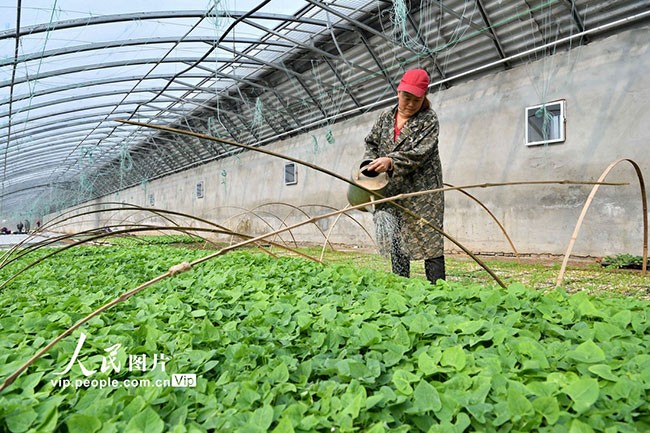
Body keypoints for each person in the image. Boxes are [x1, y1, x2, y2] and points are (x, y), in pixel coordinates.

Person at [363, 68, 445, 283]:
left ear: (423, 98)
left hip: (422, 192)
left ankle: (439, 290)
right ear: (398, 92)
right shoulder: (385, 118)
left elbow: (420, 152)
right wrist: (370, 163)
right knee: (397, 238)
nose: (409, 104)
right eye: (406, 98)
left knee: (430, 239)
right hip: (392, 188)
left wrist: (391, 161)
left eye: (416, 100)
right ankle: (401, 286)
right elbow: (371, 142)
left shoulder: (428, 120)